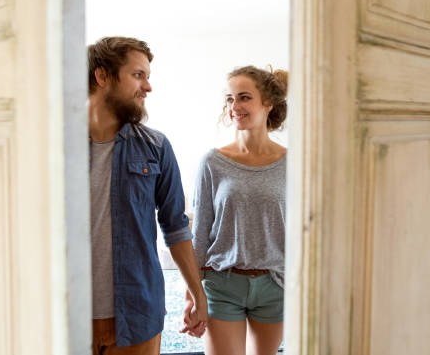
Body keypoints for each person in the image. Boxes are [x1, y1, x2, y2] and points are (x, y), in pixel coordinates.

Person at [87, 36, 207, 355]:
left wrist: (197, 293)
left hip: (137, 315)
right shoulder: (54, 144)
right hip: (65, 313)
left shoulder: (156, 146)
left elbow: (176, 226)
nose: (148, 87)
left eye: (148, 77)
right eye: (138, 75)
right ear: (103, 77)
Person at [189, 65, 288, 355]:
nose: (235, 106)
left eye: (244, 97)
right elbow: (200, 233)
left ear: (268, 103)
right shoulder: (212, 162)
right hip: (223, 284)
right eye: (230, 99)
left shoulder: (293, 164)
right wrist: (193, 295)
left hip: (275, 285)